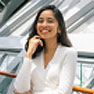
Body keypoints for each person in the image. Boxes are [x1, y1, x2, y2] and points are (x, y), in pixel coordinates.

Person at [14, 5, 77, 94]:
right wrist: (28, 54)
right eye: (40, 21)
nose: (44, 25)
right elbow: (20, 89)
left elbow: (64, 92)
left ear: (59, 28)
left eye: (50, 21)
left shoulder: (69, 53)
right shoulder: (35, 53)